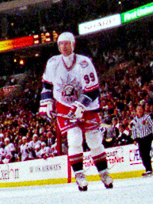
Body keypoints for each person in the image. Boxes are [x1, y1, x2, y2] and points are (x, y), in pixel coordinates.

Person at [40, 32, 112, 190]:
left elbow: (93, 90)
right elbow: (46, 84)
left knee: (94, 140)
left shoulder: (84, 63)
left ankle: (104, 173)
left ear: (73, 45)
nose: (63, 47)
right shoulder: (53, 63)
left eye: (67, 43)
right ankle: (79, 175)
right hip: (65, 106)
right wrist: (47, 104)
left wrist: (80, 106)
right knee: (74, 140)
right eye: (61, 44)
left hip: (87, 104)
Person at [129, 102, 153, 177]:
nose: (139, 111)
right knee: (142, 154)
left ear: (143, 110)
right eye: (138, 109)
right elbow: (134, 130)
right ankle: (147, 169)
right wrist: (134, 139)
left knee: (146, 153)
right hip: (140, 139)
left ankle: (149, 169)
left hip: (147, 136)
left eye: (140, 109)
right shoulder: (134, 120)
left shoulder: (147, 117)